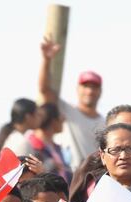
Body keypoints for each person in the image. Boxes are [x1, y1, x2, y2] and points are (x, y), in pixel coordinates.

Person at [38, 37, 103, 169]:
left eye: (94, 87)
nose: (89, 91)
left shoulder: (105, 123)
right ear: (77, 89)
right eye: (85, 86)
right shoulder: (67, 111)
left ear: (100, 91)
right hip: (68, 178)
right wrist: (46, 60)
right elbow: (44, 90)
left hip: (91, 182)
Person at [0, 99, 40, 172]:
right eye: (37, 114)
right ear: (28, 117)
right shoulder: (21, 142)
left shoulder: (10, 136)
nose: (40, 118)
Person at [26, 103, 72, 183]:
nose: (63, 119)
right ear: (53, 121)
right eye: (60, 116)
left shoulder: (56, 147)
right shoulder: (32, 145)